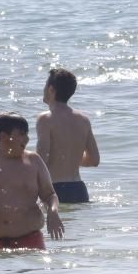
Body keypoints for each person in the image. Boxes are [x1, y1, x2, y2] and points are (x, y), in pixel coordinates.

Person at [0, 112, 64, 249]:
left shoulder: (34, 161)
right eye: (21, 134)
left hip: (30, 240)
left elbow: (50, 195)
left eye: (27, 134)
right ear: (3, 136)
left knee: (36, 270)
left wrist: (53, 211)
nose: (27, 139)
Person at [36, 69, 100, 203]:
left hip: (55, 189)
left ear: (51, 89)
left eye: (45, 85)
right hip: (79, 189)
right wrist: (71, 159)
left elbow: (42, 159)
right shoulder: (83, 119)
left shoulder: (45, 119)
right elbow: (94, 160)